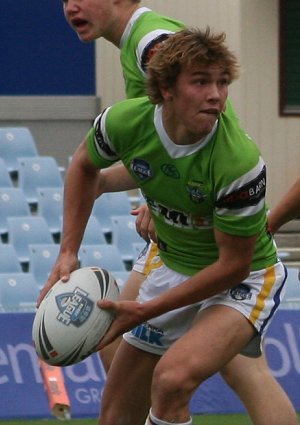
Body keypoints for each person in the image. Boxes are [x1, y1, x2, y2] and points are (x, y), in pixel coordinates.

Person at [38, 28, 297, 425]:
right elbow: (84, 166)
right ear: (166, 88)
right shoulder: (124, 123)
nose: (216, 94)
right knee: (117, 413)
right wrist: (68, 252)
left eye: (222, 82)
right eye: (201, 81)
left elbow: (233, 266)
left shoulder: (238, 164)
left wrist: (146, 309)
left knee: (173, 379)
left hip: (242, 282)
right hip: (174, 266)